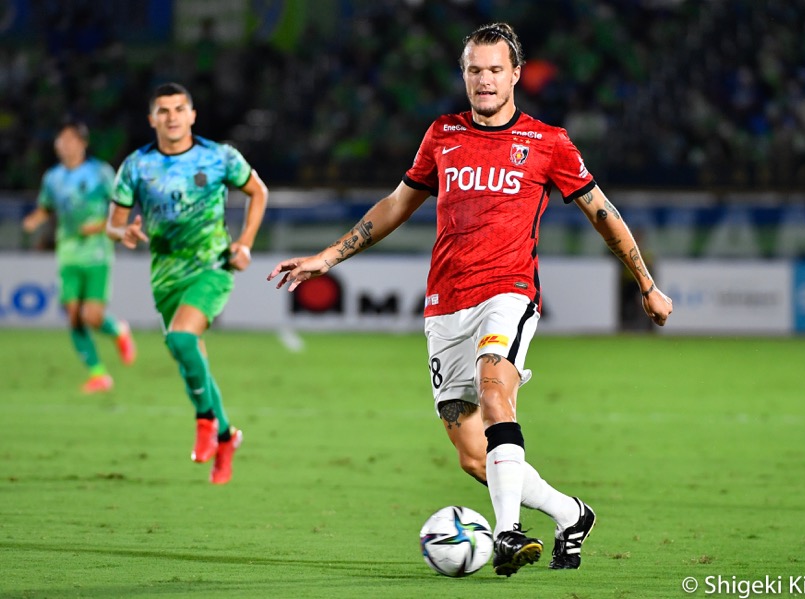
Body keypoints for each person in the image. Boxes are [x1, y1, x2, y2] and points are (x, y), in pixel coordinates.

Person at [268, 23, 673, 575]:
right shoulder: (443, 135)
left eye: (495, 70)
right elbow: (397, 203)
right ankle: (571, 514)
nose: (484, 80)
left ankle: (507, 533)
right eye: (474, 70)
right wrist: (329, 256)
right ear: (464, 75)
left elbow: (603, 213)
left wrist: (645, 282)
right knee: (474, 456)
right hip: (445, 304)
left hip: (508, 292)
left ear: (515, 75)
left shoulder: (548, 143)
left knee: (494, 388)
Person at [106, 83, 268, 485]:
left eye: (179, 109)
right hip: (165, 274)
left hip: (212, 265)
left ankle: (205, 420)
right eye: (163, 110)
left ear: (192, 115)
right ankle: (227, 437)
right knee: (189, 357)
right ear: (152, 119)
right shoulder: (136, 166)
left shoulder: (219, 157)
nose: (172, 117)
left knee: (181, 339)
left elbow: (258, 192)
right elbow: (113, 223)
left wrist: (245, 244)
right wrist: (123, 233)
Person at [22, 120, 137, 393]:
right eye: (61, 140)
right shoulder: (52, 177)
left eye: (70, 140)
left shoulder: (100, 173)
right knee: (73, 315)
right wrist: (34, 219)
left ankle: (118, 330)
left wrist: (99, 226)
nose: (64, 145)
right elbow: (47, 206)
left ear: (83, 143)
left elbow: (121, 207)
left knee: (92, 317)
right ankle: (98, 374)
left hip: (97, 252)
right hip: (68, 252)